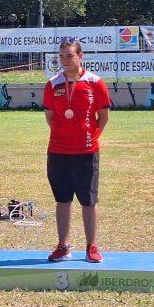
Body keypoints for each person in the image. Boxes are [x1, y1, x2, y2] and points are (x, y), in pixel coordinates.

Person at [43, 38, 110, 263]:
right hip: (58, 151)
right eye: (61, 56)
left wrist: (88, 137)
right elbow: (50, 116)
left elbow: (103, 117)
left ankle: (91, 246)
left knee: (88, 201)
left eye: (69, 56)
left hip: (87, 151)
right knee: (62, 200)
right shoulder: (53, 83)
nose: (65, 60)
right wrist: (64, 135)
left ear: (80, 56)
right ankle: (63, 246)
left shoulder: (95, 82)